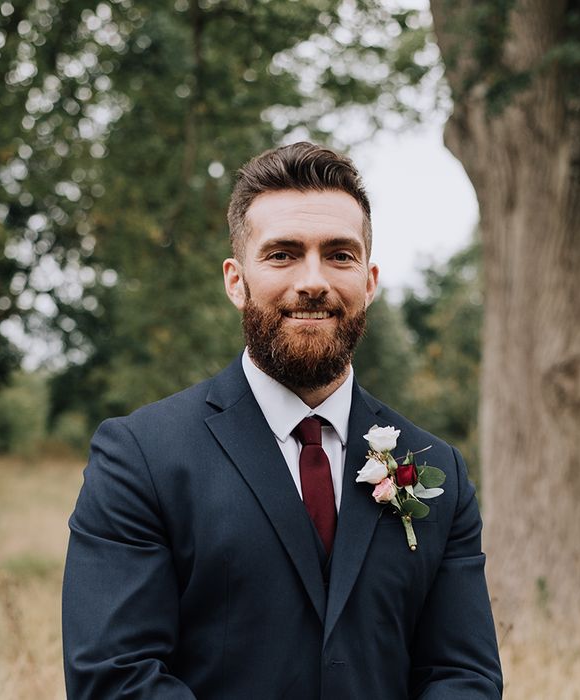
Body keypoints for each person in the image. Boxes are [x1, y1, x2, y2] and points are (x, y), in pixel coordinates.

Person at [62, 142, 503, 698]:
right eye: (283, 254)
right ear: (235, 280)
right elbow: (115, 677)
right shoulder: (140, 457)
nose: (313, 281)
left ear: (368, 281)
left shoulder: (441, 471)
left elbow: (463, 677)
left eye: (339, 255)